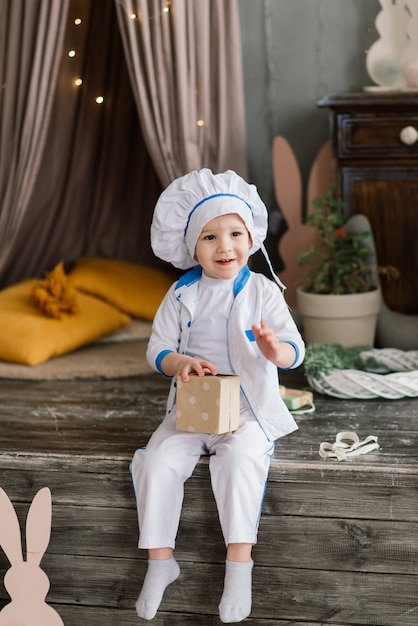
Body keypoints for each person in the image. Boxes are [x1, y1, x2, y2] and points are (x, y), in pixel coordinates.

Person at [131, 168, 305, 623]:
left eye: (234, 233)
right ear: (191, 247)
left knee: (240, 459)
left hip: (246, 409)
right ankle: (161, 562)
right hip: (194, 405)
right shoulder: (180, 292)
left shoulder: (263, 292)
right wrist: (178, 364)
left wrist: (273, 349)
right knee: (158, 461)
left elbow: (294, 350)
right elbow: (158, 349)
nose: (224, 246)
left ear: (251, 237)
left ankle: (238, 565)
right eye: (209, 237)